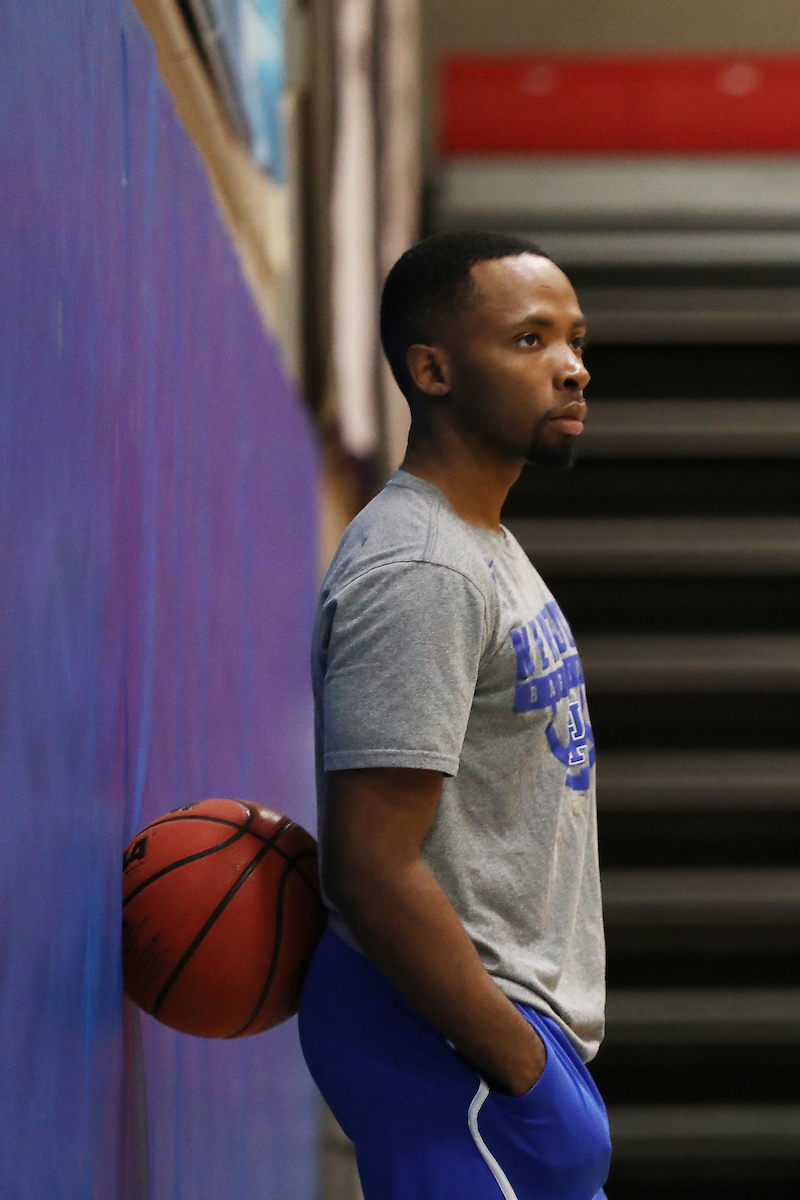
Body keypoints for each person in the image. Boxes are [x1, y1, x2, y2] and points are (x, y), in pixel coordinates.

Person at [299, 230, 610, 1200]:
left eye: (572, 338)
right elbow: (372, 863)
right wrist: (515, 1066)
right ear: (430, 370)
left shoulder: (479, 543)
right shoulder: (423, 569)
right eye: (528, 340)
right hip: (453, 1042)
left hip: (496, 1033)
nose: (570, 366)